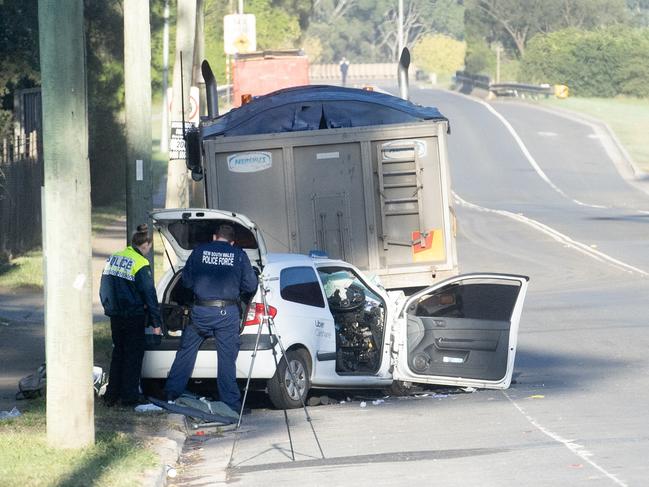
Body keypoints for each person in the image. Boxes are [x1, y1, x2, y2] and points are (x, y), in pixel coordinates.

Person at [164, 224, 258, 414]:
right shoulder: (239, 255)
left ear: (215, 238)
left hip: (201, 312)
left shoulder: (199, 252)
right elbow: (250, 285)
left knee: (186, 352)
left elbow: (187, 282)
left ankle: (171, 395)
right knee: (226, 359)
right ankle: (230, 405)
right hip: (227, 314)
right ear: (232, 242)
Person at [99, 223, 162, 406]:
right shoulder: (141, 263)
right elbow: (149, 294)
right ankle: (129, 397)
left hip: (116, 316)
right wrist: (156, 323)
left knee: (118, 353)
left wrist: (108, 307)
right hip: (133, 316)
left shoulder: (114, 258)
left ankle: (112, 395)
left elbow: (104, 286)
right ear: (146, 245)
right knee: (133, 357)